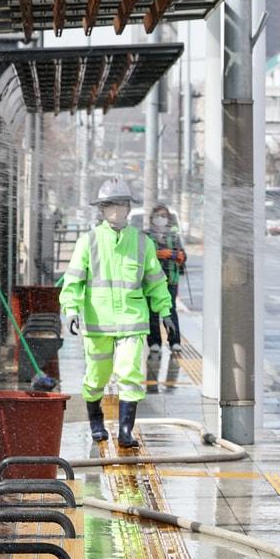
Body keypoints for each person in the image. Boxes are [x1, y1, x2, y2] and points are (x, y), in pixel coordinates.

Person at [60, 178, 177, 448]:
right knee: (96, 377)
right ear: (101, 209)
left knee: (130, 374)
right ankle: (96, 421)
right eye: (110, 205)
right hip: (97, 322)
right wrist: (71, 309)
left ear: (128, 208)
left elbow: (156, 281)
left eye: (121, 204)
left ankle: (126, 432)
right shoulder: (88, 242)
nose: (116, 210)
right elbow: (73, 280)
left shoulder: (141, 243)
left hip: (131, 321)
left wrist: (165, 311)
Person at [144, 203, 187, 353]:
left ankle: (174, 341)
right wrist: (163, 253)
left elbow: (181, 255)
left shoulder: (174, 237)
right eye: (158, 216)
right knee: (153, 311)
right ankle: (154, 342)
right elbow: (144, 254)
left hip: (170, 279)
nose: (161, 219)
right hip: (151, 280)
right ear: (152, 218)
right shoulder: (146, 235)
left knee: (170, 309)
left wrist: (178, 256)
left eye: (164, 216)